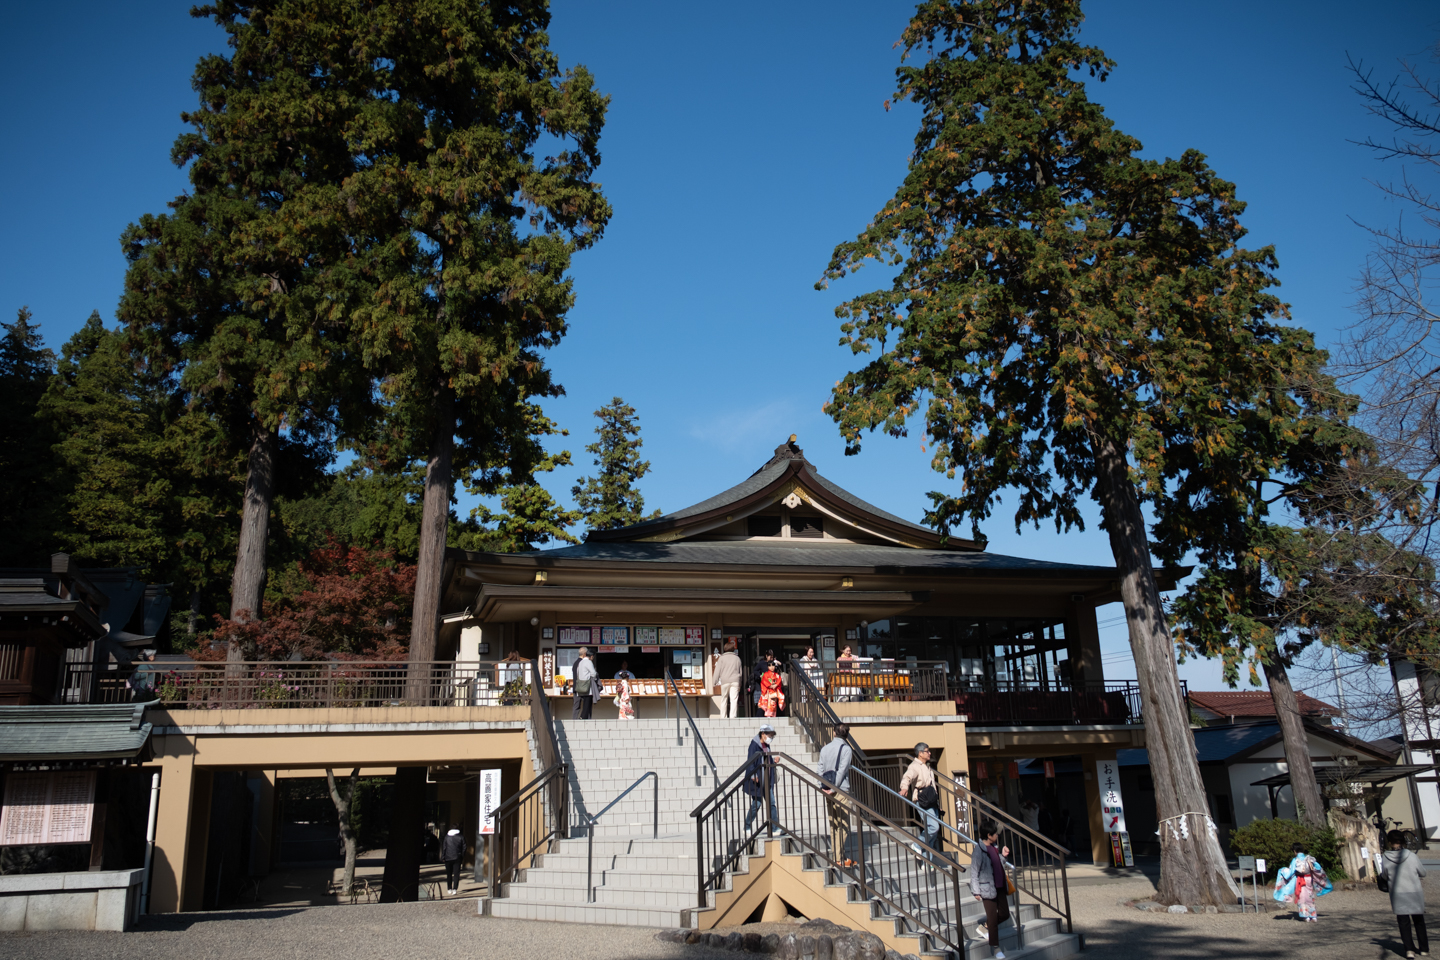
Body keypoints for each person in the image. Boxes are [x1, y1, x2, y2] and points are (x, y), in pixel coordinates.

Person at [970, 820, 1013, 960]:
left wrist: (1003, 855)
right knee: (993, 918)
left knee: (1005, 914)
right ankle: (996, 949)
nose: (997, 835)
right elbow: (974, 871)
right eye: (995, 833)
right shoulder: (979, 850)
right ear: (989, 835)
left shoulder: (994, 847)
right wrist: (976, 891)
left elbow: (997, 862)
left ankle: (986, 926)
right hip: (986, 889)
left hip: (1000, 886)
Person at [1383, 829, 1428, 957]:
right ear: (1403, 841)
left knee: (1403, 922)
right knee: (1419, 921)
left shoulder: (1386, 857)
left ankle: (1409, 950)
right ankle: (1424, 948)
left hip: (1398, 893)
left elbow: (1385, 876)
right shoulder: (1411, 856)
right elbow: (1423, 872)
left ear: (1390, 842)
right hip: (1414, 892)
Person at [899, 742, 943, 865]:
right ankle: (917, 844)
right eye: (927, 751)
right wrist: (904, 788)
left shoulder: (926, 766)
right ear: (920, 753)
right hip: (922, 800)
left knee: (934, 831)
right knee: (934, 826)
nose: (929, 753)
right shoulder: (915, 766)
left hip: (931, 800)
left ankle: (926, 859)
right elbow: (907, 777)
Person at [818, 723, 855, 866]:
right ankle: (839, 858)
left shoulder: (825, 748)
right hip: (840, 789)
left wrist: (822, 785)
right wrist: (834, 788)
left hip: (827, 788)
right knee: (844, 823)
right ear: (846, 735)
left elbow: (820, 768)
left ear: (834, 733)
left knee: (834, 823)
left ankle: (838, 857)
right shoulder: (846, 749)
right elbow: (842, 770)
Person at [1275, 841, 1331, 921]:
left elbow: (1290, 872)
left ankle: (1306, 916)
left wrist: (1282, 870)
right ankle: (1313, 915)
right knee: (1310, 896)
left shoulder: (1295, 860)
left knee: (1302, 897)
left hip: (1300, 879)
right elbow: (1317, 867)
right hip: (1309, 879)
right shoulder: (1308, 858)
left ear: (1294, 850)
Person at [743, 723, 778, 836]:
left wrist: (774, 762)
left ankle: (775, 828)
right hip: (757, 781)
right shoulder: (754, 745)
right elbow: (751, 761)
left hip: (766, 780)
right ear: (762, 734)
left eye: (772, 736)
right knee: (757, 804)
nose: (770, 738)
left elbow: (767, 760)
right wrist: (753, 776)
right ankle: (747, 826)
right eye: (769, 735)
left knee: (771, 803)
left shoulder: (766, 746)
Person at [713, 640, 743, 718]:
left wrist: (714, 682)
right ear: (733, 649)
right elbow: (740, 672)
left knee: (724, 699)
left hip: (725, 681)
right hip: (735, 681)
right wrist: (740, 683)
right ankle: (733, 717)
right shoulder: (737, 658)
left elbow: (717, 671)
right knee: (734, 699)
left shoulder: (721, 658)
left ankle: (723, 717)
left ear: (725, 649)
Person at [572, 647, 601, 720]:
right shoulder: (588, 662)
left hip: (580, 685)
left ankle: (580, 717)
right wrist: (593, 678)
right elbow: (593, 673)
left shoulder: (580, 662)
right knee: (587, 701)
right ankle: (583, 717)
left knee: (580, 704)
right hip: (587, 685)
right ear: (591, 656)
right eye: (593, 657)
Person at [441, 824, 465, 895]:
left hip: (448, 857)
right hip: (457, 857)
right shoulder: (461, 836)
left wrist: (443, 857)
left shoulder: (447, 837)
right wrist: (462, 855)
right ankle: (455, 889)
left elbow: (444, 847)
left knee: (449, 874)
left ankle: (449, 888)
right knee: (456, 874)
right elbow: (464, 847)